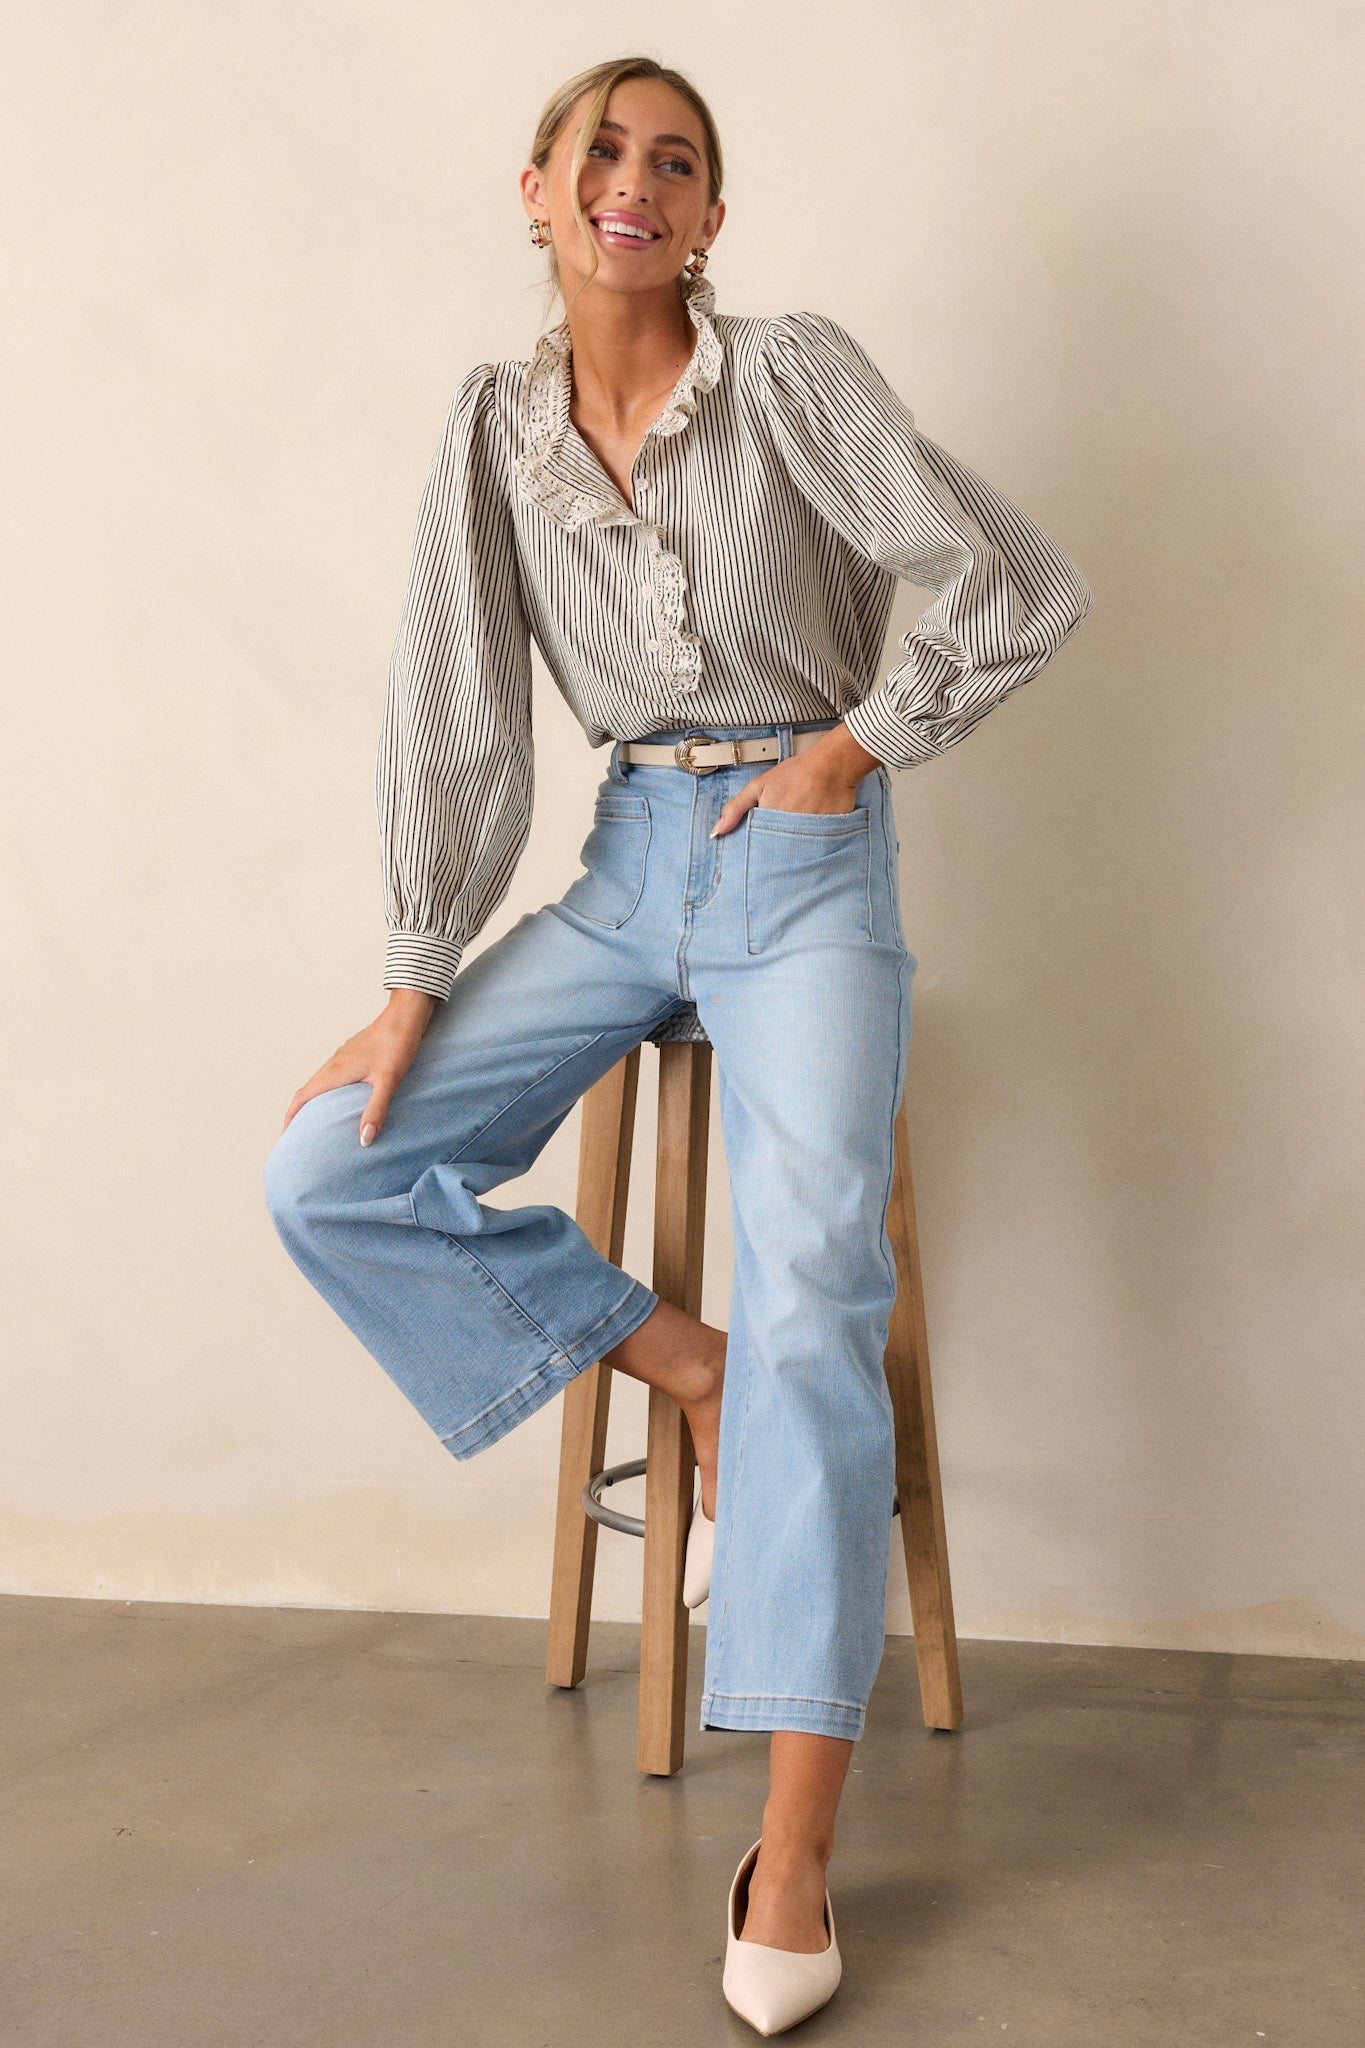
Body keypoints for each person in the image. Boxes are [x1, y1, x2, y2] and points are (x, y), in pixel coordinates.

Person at [263, 54, 1094, 2037]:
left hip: (801, 865)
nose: (636, 181)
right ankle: (674, 1357)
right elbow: (453, 708)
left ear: (710, 216)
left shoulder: (790, 372)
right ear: (535, 190)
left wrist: (845, 750)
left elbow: (1013, 583)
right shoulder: (489, 431)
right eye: (605, 152)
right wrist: (410, 966)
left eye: (678, 161)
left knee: (819, 1280)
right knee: (328, 1166)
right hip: (627, 865)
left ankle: (793, 1845)